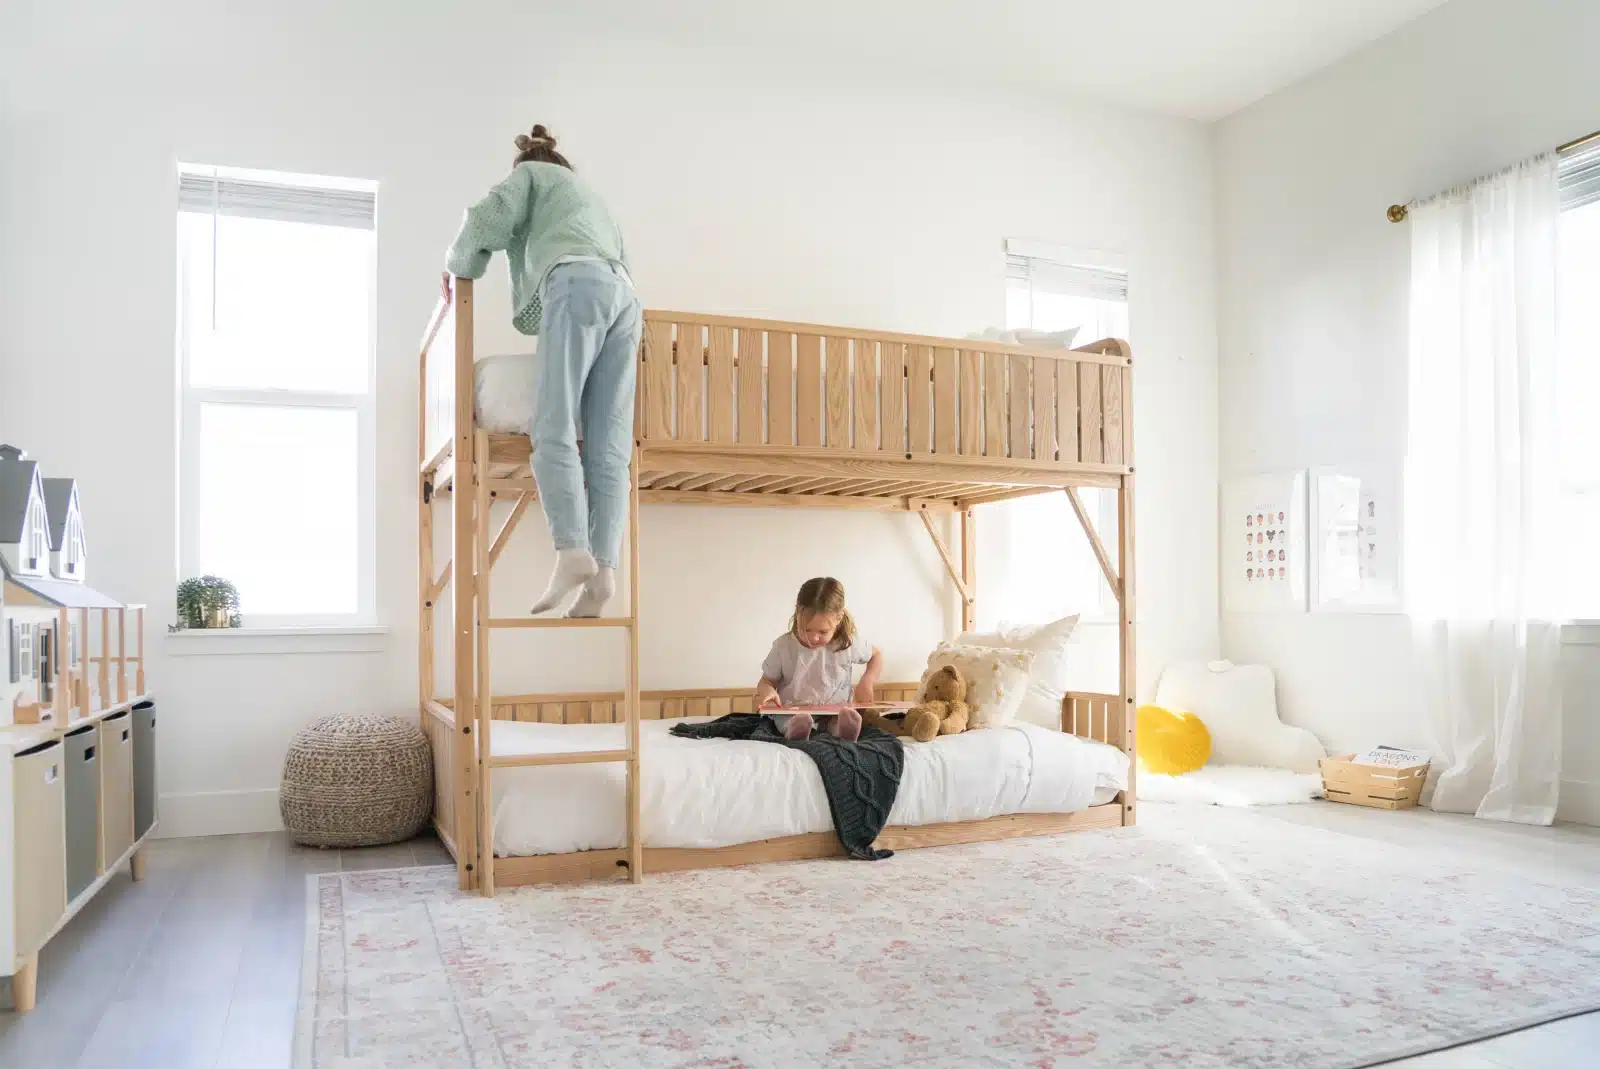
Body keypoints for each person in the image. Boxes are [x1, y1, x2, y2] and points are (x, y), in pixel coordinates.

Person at [443, 124, 638, 617]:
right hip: (627, 299)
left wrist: (457, 266)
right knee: (608, 447)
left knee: (552, 425)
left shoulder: (530, 175)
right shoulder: (593, 200)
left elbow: (486, 218)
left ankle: (572, 551)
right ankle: (604, 572)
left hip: (576, 283)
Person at [754, 577, 883, 742]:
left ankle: (841, 730)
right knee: (787, 719)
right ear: (797, 612)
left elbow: (876, 655)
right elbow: (766, 681)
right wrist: (768, 691)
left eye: (823, 632)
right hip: (792, 710)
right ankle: (795, 730)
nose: (814, 638)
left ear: (839, 618)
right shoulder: (783, 646)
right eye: (806, 629)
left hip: (834, 711)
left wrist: (868, 681)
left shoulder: (847, 643)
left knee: (839, 719)